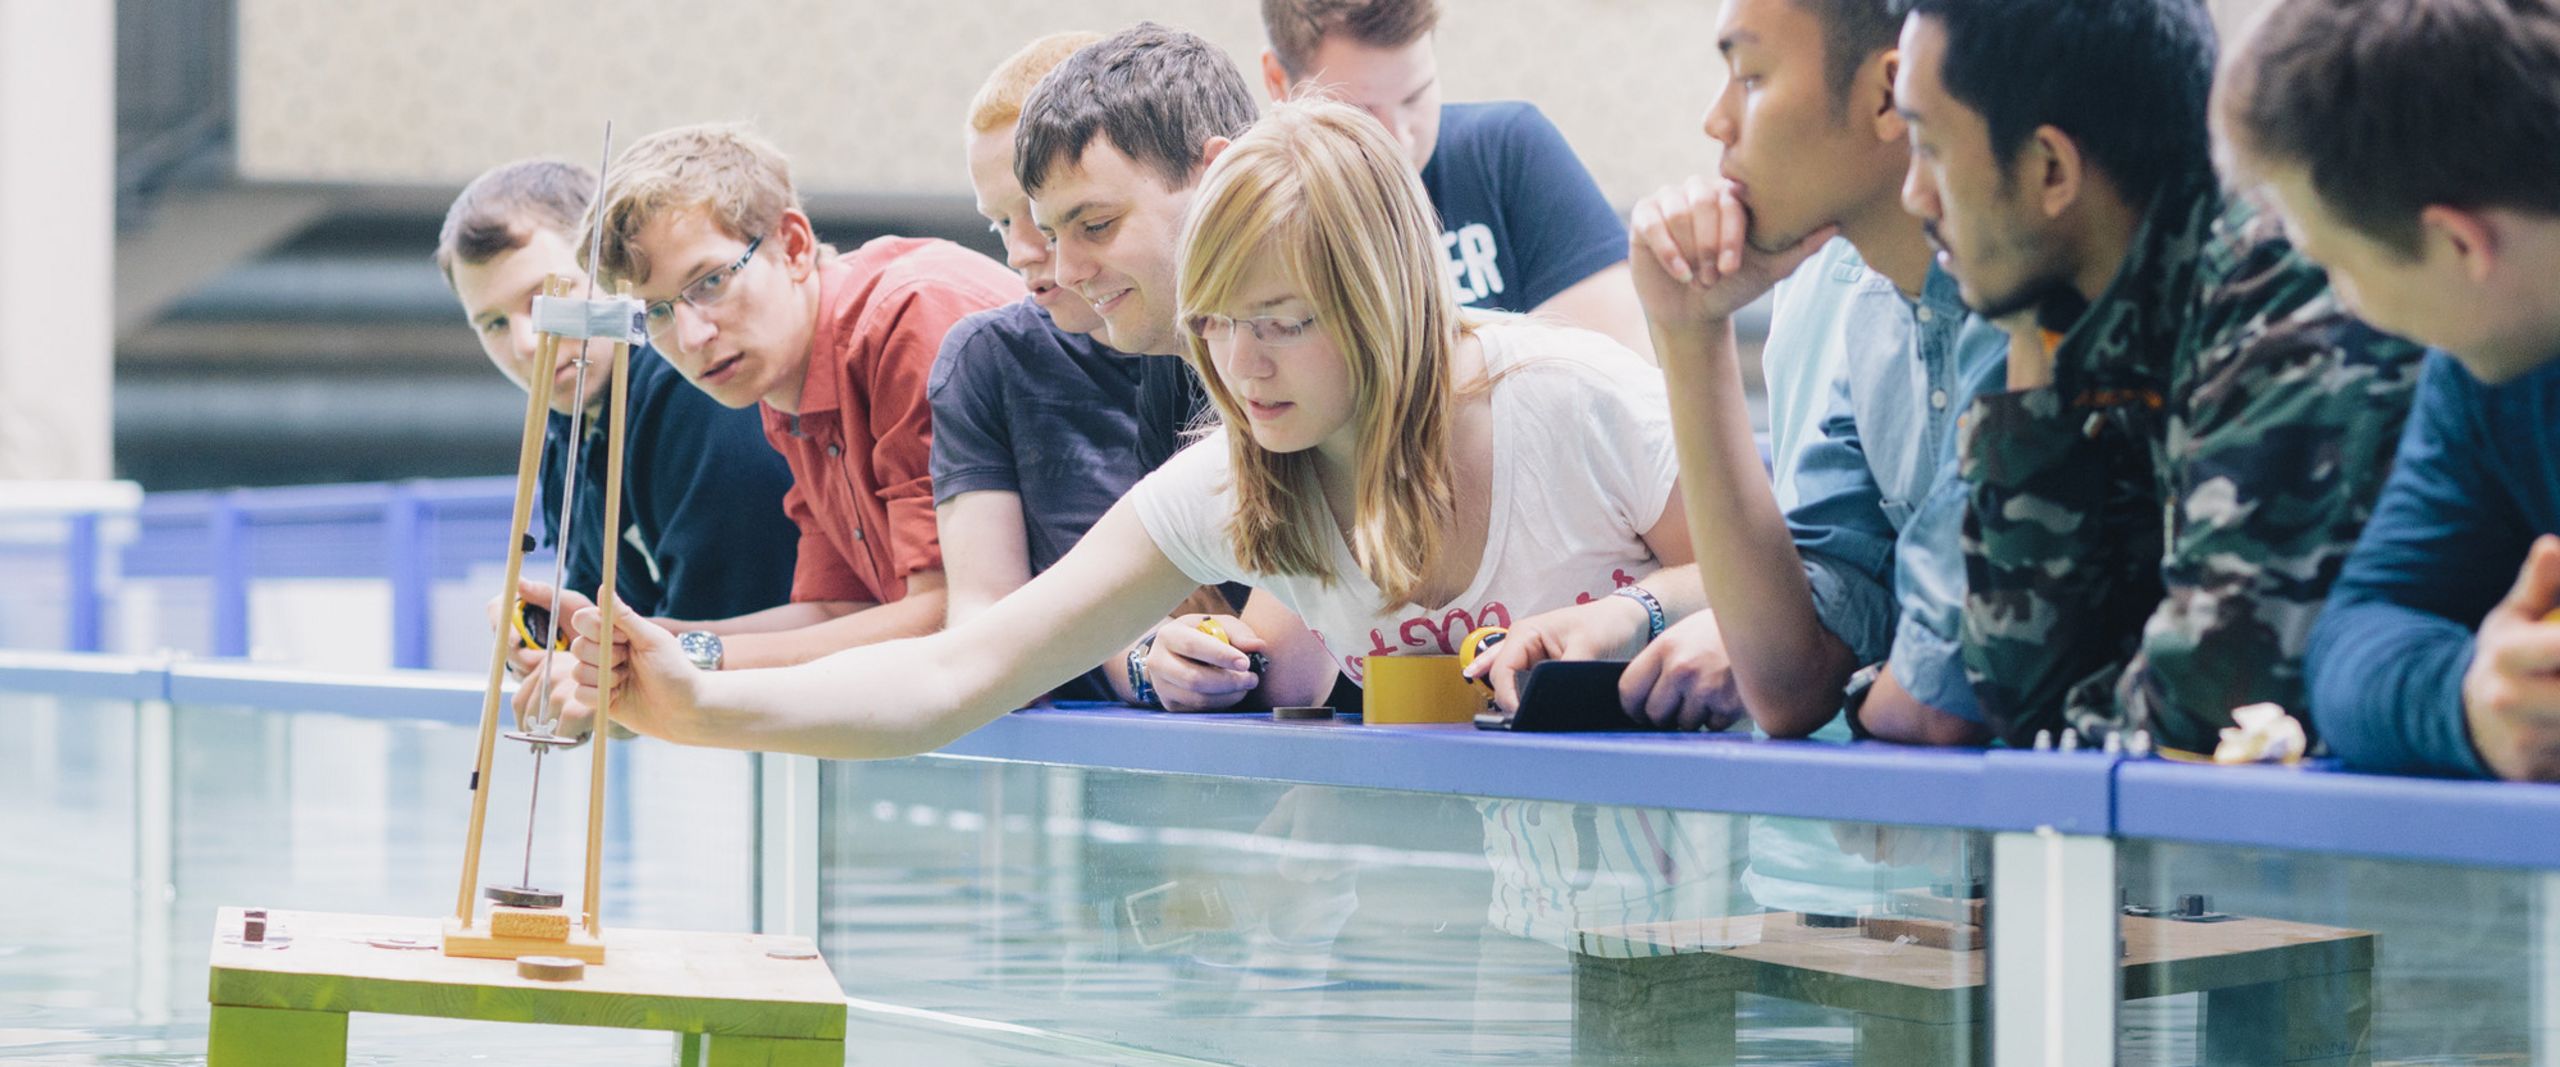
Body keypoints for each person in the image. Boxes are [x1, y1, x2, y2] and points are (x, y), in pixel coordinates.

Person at [563, 99, 1701, 761]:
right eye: (1213, 327)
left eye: (1286, 323)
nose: (1241, 370)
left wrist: (1631, 608)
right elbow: (963, 668)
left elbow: (1798, 588)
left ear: (1386, 296)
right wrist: (695, 698)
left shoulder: (1573, 396)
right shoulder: (1239, 478)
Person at [1891, 0, 2426, 751]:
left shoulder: (2279, 291)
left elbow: (2207, 708)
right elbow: (2025, 698)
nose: (1914, 193)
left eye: (1929, 148)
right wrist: (2033, 352)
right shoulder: (2121, 318)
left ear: (2051, 169)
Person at [1475, 0, 2005, 746]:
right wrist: (1690, 331)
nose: (1716, 121)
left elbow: (1935, 708)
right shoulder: (1857, 299)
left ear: (1891, 94)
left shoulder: (2025, 311)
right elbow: (1789, 683)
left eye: (1750, 78)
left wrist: (1872, 683)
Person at [528, 123, 1019, 702]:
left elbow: (953, 616)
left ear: (793, 245)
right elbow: (840, 610)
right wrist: (647, 641)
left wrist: (694, 655)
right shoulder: (783, 386)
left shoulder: (906, 319)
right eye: (655, 313)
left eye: (709, 283)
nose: (691, 336)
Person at [2219, 0, 2560, 779]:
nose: (2342, 305)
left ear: (2457, 243)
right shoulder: (2486, 373)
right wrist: (2469, 701)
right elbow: (2356, 635)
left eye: (2335, 263)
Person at [436, 159, 798, 723]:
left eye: (546, 298)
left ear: (612, 272)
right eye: (494, 324)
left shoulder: (700, 390)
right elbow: (614, 647)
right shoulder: (569, 425)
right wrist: (557, 649)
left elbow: (726, 653)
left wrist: (603, 677)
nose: (529, 342)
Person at [936, 32, 1230, 701]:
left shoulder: (1201, 351)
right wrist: (1141, 657)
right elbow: (980, 629)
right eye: (1002, 224)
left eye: (1086, 221)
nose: (1027, 253)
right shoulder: (992, 359)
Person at [1257, 0, 1652, 361]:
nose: (1400, 139)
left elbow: (1617, 369)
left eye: (1416, 97)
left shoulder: (1507, 151)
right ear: (1278, 83)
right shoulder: (1256, 220)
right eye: (1360, 114)